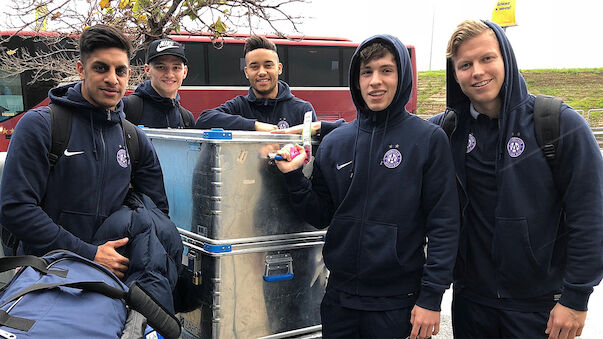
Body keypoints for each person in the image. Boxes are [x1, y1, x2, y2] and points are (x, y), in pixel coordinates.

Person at [275, 34, 459, 339]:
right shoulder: (335, 142)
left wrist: (431, 298)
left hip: (399, 303)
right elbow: (321, 214)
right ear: (356, 80)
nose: (375, 80)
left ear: (402, 76)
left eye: (386, 70)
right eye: (367, 72)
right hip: (339, 300)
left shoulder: (428, 140)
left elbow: (444, 226)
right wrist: (294, 177)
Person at [430, 20, 603, 339]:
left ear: (506, 59)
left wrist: (576, 298)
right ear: (455, 74)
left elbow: (590, 216)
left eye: (486, 58)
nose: (477, 71)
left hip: (541, 308)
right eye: (465, 65)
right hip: (471, 304)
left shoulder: (559, 124)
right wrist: (319, 131)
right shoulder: (448, 129)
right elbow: (398, 133)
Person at [0, 25, 170, 280]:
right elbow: (15, 208)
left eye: (120, 70)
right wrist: (88, 254)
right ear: (81, 70)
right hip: (46, 275)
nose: (112, 78)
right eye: (101, 67)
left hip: (112, 279)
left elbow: (157, 213)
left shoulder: (135, 139)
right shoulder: (40, 125)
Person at [195, 35, 343, 136]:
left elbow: (311, 153)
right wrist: (254, 126)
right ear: (246, 72)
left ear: (279, 68)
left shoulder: (302, 109)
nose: (261, 72)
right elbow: (204, 119)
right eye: (254, 67)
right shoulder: (239, 106)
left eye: (268, 65)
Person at [123, 38, 194, 128]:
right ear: (147, 70)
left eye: (176, 68)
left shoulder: (187, 118)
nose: (169, 74)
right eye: (161, 67)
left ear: (184, 72)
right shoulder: (127, 108)